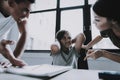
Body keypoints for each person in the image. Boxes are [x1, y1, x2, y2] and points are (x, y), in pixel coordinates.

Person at [0, 0, 35, 67]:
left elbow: (24, 33)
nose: (27, 17)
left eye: (29, 11)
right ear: (11, 3)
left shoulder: (15, 13)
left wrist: (13, 60)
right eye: (24, 10)